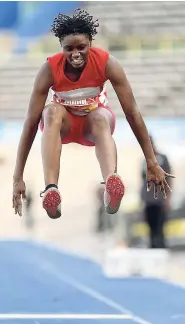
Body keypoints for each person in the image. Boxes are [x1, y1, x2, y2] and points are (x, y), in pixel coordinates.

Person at [12, 8, 174, 219]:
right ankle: (51, 189)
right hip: (64, 126)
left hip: (95, 126)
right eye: (69, 49)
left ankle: (111, 183)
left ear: (91, 43)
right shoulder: (50, 69)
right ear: (61, 47)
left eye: (82, 47)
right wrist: (18, 177)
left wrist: (151, 160)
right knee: (50, 111)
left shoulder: (107, 63)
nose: (75, 54)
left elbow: (133, 113)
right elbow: (31, 123)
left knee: (99, 115)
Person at [140, 135, 172, 248]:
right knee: (151, 228)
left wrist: (168, 198)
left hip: (160, 199)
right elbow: (142, 181)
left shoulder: (162, 158)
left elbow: (169, 178)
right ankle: (153, 249)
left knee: (160, 228)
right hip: (148, 200)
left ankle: (161, 248)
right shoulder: (144, 162)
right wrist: (142, 198)